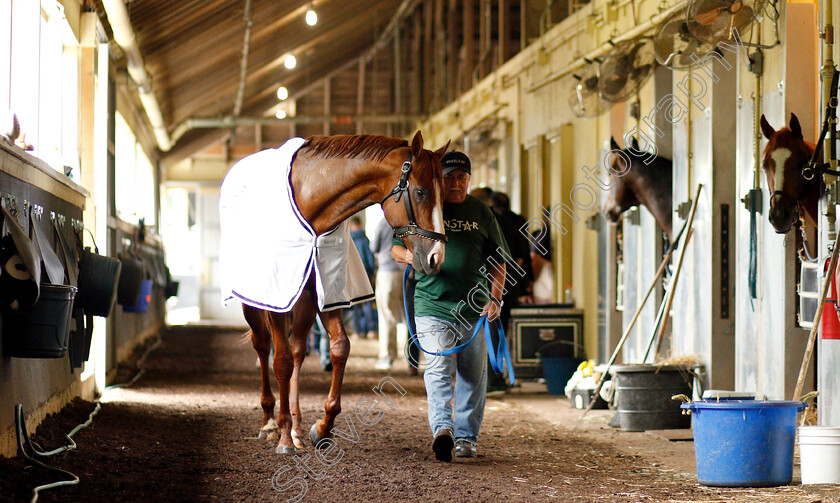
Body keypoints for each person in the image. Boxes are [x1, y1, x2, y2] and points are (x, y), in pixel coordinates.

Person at [392, 150, 509, 462]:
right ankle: (443, 429)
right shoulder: (426, 206)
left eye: (461, 177)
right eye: (449, 177)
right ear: (439, 181)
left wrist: (496, 297)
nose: (455, 182)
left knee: (473, 375)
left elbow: (499, 262)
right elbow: (395, 247)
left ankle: (467, 438)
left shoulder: (481, 212)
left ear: (469, 180)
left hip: (474, 308)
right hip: (432, 305)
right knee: (439, 368)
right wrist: (410, 257)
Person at [370, 216, 417, 373]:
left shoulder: (384, 222)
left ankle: (388, 356)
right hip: (407, 273)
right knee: (407, 315)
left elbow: (374, 247)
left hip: (387, 272)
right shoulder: (407, 221)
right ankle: (409, 356)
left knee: (387, 315)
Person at [349, 216, 378, 339]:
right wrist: (373, 273)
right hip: (365, 272)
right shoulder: (364, 239)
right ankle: (371, 330)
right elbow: (369, 258)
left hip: (351, 273)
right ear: (360, 225)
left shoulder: (348, 239)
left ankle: (357, 331)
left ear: (351, 225)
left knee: (354, 304)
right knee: (367, 303)